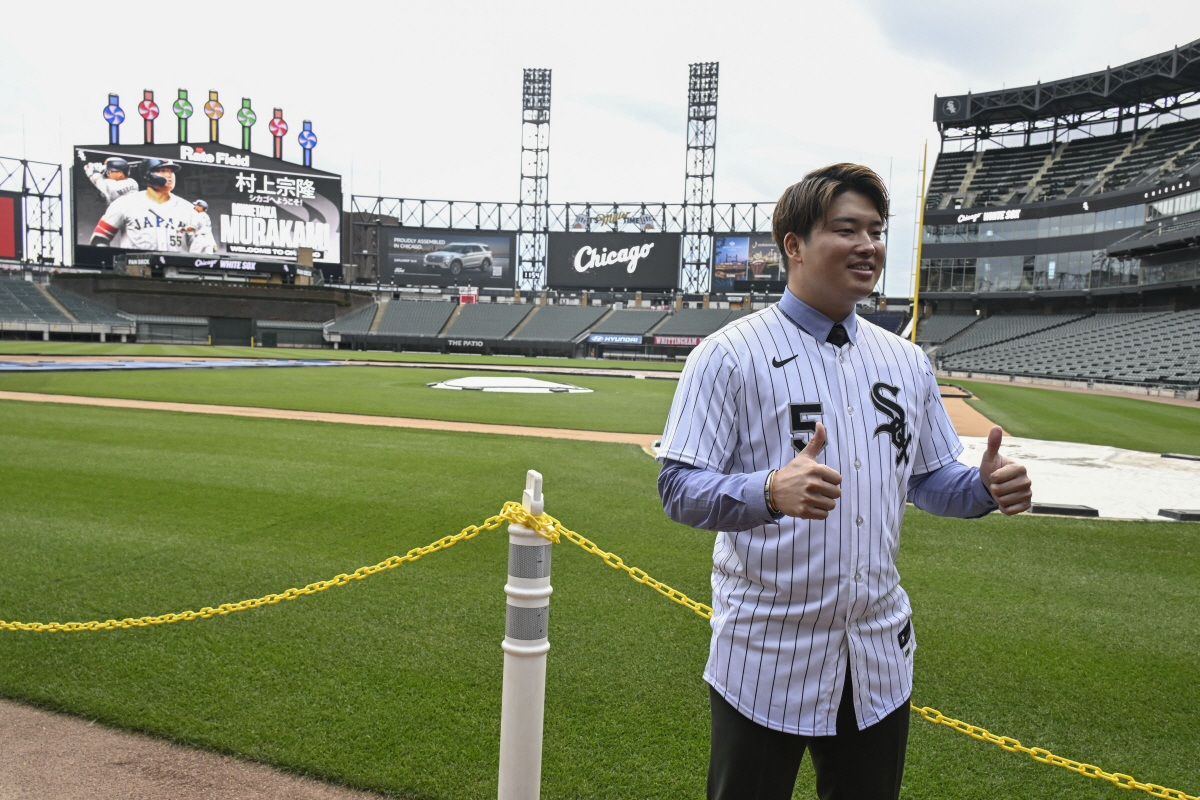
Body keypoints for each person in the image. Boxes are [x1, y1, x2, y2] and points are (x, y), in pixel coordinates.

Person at [657, 163, 1032, 800]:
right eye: (847, 229)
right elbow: (679, 487)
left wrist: (982, 488)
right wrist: (769, 491)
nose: (868, 245)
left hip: (878, 657)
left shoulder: (906, 360)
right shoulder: (727, 354)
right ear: (793, 246)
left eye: (877, 231)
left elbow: (930, 478)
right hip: (765, 653)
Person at [89, 159, 216, 253]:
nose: (168, 175)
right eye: (161, 171)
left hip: (177, 277)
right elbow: (100, 238)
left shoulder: (189, 210)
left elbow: (205, 247)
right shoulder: (125, 203)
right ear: (147, 174)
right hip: (134, 277)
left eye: (170, 171)